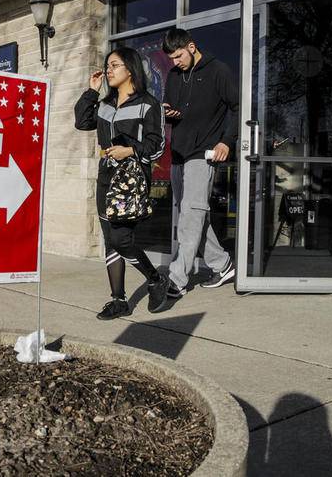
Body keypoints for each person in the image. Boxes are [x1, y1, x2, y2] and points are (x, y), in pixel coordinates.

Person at [74, 47, 179, 319]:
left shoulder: (148, 103)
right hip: (106, 176)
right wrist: (92, 91)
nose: (108, 70)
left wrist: (130, 150)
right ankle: (118, 300)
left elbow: (156, 146)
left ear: (130, 69)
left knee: (121, 238)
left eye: (115, 65)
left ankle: (155, 278)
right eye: (107, 65)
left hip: (131, 179)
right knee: (111, 240)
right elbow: (82, 121)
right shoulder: (105, 105)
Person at [161, 28, 238, 300]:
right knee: (193, 214)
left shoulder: (219, 71)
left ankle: (177, 279)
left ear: (191, 46)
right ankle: (222, 264)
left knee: (190, 216)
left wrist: (226, 141)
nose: (175, 62)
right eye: (171, 58)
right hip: (178, 153)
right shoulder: (173, 75)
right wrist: (169, 114)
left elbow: (238, 107)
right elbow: (174, 111)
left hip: (203, 153)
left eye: (179, 56)